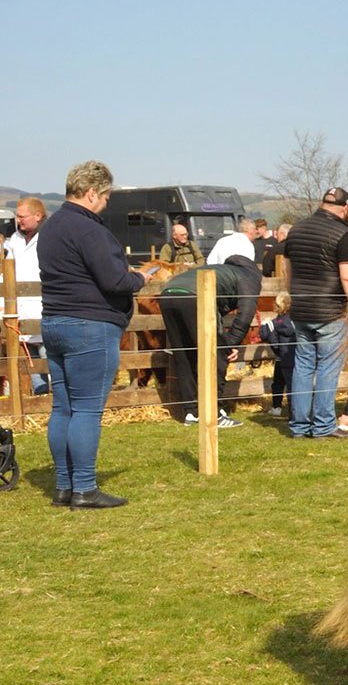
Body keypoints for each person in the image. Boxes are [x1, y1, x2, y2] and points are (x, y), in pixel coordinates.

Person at [37, 161, 161, 508]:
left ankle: (64, 486)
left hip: (55, 323)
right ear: (92, 193)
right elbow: (114, 281)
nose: (106, 204)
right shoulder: (91, 230)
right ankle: (85, 489)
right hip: (89, 327)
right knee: (88, 411)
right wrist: (140, 278)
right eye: (105, 197)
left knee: (63, 408)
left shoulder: (50, 228)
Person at [284, 187, 348, 439]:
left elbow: (288, 271)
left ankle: (298, 426)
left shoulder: (296, 229)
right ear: (343, 209)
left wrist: (295, 296)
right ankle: (323, 426)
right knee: (328, 368)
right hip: (330, 311)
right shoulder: (342, 234)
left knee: (303, 366)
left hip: (301, 309)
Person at [156, 239, 262, 427]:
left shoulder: (220, 270)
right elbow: (246, 314)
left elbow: (217, 310)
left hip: (168, 293)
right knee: (217, 356)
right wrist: (229, 345)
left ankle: (191, 412)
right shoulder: (250, 277)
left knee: (184, 354)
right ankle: (216, 412)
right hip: (194, 296)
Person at [5, 196, 48, 394]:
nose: (18, 220)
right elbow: (7, 272)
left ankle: (58, 402)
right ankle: (40, 398)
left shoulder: (50, 237)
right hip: (20, 310)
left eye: (22, 216)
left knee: (48, 357)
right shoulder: (14, 240)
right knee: (31, 362)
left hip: (45, 308)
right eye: (17, 216)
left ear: (38, 216)